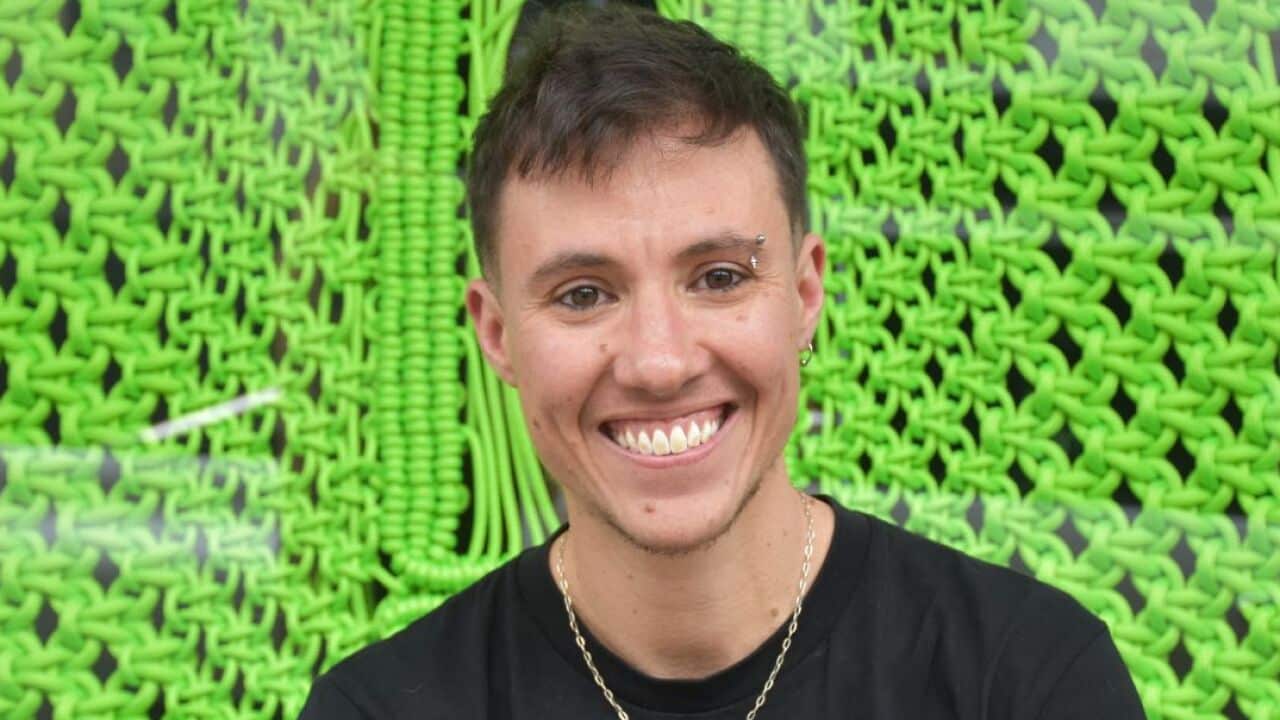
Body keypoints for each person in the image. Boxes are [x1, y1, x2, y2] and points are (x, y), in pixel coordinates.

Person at [299, 3, 1145, 718]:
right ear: (496, 334)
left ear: (804, 295)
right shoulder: (378, 710)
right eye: (583, 294)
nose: (660, 363)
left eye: (719, 277)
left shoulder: (1026, 679)